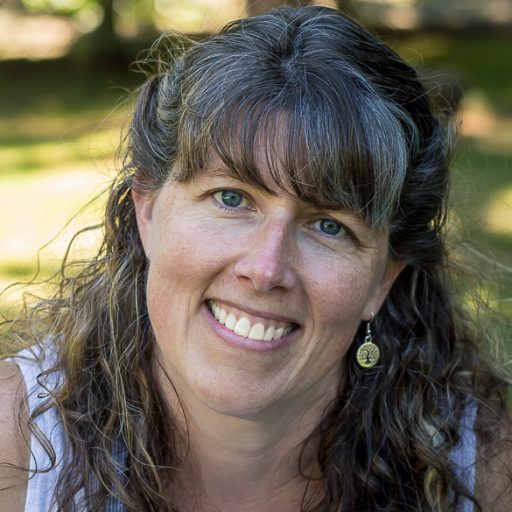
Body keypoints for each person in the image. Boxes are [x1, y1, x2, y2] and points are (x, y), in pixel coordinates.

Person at [0, 5, 511, 511]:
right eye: (230, 198)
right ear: (148, 212)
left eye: (330, 226)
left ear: (382, 281)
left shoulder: (485, 470)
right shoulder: (15, 444)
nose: (266, 269)